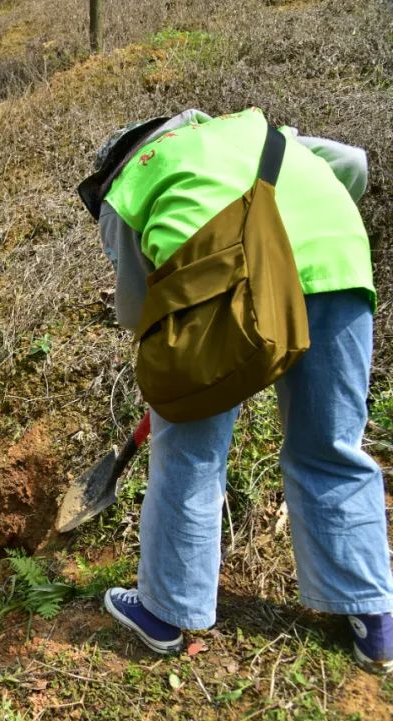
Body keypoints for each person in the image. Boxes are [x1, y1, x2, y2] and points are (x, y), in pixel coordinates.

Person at [77, 107, 393, 672]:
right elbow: (353, 164)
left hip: (219, 294)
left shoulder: (129, 182)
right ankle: (374, 620)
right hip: (336, 262)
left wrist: (176, 382)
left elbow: (133, 308)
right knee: (331, 446)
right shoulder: (257, 129)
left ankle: (166, 613)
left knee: (188, 452)